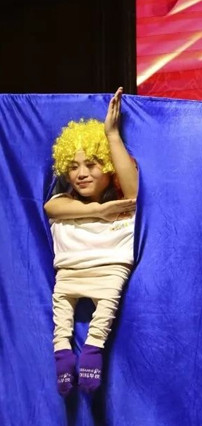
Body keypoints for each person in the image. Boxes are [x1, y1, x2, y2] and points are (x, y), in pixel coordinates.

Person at [44, 87, 138, 394]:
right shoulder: (63, 202)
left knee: (106, 309)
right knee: (61, 311)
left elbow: (134, 193)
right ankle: (62, 354)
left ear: (110, 168)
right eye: (73, 166)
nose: (81, 173)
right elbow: (51, 208)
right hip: (70, 272)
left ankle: (93, 350)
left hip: (109, 272)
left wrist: (112, 135)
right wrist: (98, 211)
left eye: (92, 164)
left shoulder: (124, 204)